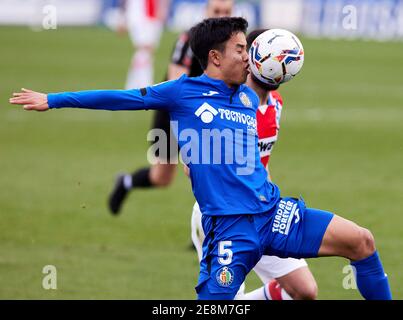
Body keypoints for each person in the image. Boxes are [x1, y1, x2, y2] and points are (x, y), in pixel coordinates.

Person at [9, 17, 392, 300]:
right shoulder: (183, 94)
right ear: (215, 57)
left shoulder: (251, 92)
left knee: (361, 242)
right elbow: (119, 98)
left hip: (273, 213)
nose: (249, 57)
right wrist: (54, 100)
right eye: (241, 50)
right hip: (228, 228)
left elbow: (272, 71)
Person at [188, 29, 317, 300]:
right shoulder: (225, 106)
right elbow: (190, 165)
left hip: (262, 213)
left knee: (304, 290)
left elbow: (263, 163)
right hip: (223, 217)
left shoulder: (275, 105)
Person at [108, 0, 234, 215]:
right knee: (162, 177)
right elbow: (176, 80)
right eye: (216, 11)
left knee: (208, 173)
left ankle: (204, 234)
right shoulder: (190, 39)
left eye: (226, 12)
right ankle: (126, 182)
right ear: (205, 11)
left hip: (207, 116)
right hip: (173, 113)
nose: (221, 16)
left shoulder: (234, 44)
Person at [120, 0, 169, 89]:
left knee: (144, 51)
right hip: (141, 13)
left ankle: (133, 86)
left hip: (149, 12)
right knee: (145, 50)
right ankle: (144, 87)